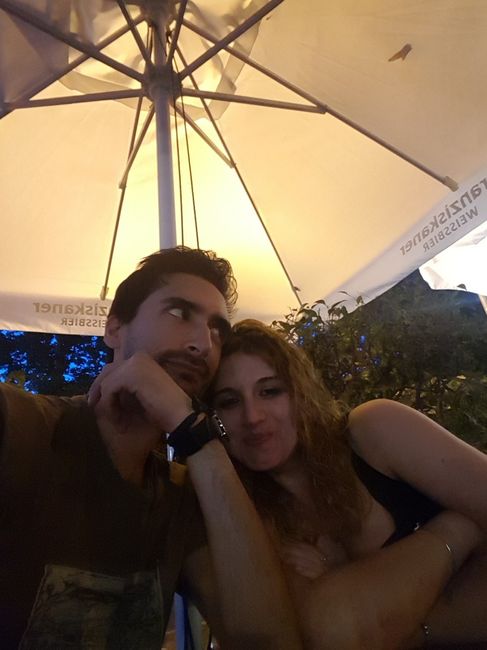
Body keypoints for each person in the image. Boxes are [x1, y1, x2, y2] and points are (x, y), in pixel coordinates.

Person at [0, 249, 302, 650]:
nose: (202, 345)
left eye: (217, 331)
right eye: (179, 313)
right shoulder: (23, 426)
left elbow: (268, 639)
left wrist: (193, 431)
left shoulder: (180, 501)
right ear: (114, 328)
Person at [211, 319, 487, 649]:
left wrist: (401, 626)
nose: (253, 417)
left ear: (300, 394)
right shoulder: (253, 522)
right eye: (229, 402)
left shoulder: (373, 432)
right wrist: (459, 529)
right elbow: (325, 630)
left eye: (270, 391)